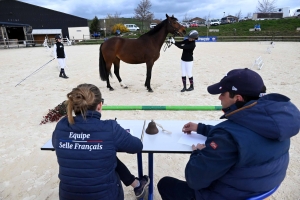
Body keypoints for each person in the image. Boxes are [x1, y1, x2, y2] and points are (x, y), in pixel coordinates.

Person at [157, 68, 300, 199]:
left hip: (230, 194)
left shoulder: (227, 136)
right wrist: (200, 128)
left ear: (238, 98)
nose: (219, 97)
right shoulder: (276, 121)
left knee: (165, 184)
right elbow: (243, 135)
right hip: (261, 188)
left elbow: (194, 179)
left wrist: (198, 153)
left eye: (223, 93)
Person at [52, 83, 150, 200]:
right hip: (106, 196)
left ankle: (136, 184)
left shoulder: (62, 125)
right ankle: (137, 185)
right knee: (106, 155)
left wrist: (81, 142)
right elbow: (137, 146)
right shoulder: (110, 128)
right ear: (99, 106)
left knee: (105, 156)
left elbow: (55, 144)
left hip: (67, 196)